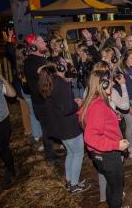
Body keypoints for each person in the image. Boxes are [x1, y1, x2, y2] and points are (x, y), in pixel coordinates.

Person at [79, 69, 129, 208]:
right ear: (103, 84)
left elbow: (99, 123)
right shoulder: (98, 106)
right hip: (108, 155)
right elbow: (90, 137)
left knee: (111, 185)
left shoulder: (97, 100)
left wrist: (113, 117)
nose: (112, 83)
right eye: (109, 81)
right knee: (117, 190)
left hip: (102, 155)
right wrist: (116, 145)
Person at [38, 62, 90, 193]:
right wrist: (76, 104)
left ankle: (69, 180)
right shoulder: (62, 84)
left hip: (60, 126)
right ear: (60, 69)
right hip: (69, 127)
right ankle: (74, 185)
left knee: (71, 153)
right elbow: (67, 109)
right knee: (78, 154)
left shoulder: (51, 82)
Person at [23, 34, 58, 163]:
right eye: (42, 42)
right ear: (34, 46)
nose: (45, 44)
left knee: (47, 128)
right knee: (47, 129)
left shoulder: (30, 61)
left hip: (39, 102)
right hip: (44, 102)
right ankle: (50, 157)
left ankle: (51, 153)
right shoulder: (38, 63)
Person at [0, 69, 16, 188]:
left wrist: (2, 78)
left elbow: (12, 94)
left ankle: (10, 169)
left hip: (1, 121)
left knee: (2, 147)